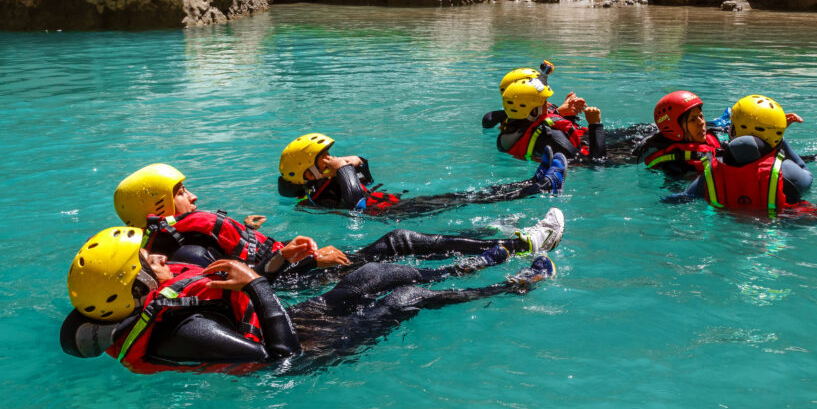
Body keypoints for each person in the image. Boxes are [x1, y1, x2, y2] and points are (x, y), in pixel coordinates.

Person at [60, 226, 558, 374]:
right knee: (404, 298)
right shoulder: (184, 331)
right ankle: (513, 284)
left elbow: (241, 301)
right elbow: (280, 359)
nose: (157, 256)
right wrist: (256, 282)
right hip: (305, 353)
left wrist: (273, 270)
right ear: (138, 289)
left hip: (287, 323)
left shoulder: (159, 297)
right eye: (147, 261)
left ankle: (484, 259)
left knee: (373, 273)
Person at [114, 163, 565, 288]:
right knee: (399, 242)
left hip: (298, 269)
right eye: (182, 192)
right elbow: (250, 286)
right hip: (303, 281)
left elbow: (236, 257)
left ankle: (509, 243)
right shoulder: (186, 250)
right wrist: (310, 261)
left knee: (398, 241)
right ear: (160, 204)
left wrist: (249, 230)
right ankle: (520, 244)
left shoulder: (179, 237)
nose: (192, 196)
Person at [276, 133, 566, 217]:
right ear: (307, 173)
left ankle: (532, 184)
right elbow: (355, 205)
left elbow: (365, 178)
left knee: (470, 196)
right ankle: (541, 187)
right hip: (396, 214)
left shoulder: (326, 179)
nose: (330, 160)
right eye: (321, 159)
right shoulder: (311, 200)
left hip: (399, 205)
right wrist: (343, 169)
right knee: (470, 201)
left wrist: (357, 163)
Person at [636, 91, 817, 180]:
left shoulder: (707, 137)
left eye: (701, 116)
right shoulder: (672, 164)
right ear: (675, 128)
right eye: (693, 119)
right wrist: (595, 128)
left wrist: (774, 131)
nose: (701, 123)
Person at [668, 94, 817, 216]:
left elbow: (681, 199)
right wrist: (779, 140)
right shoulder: (786, 171)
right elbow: (807, 177)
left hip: (725, 235)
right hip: (774, 236)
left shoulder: (712, 173)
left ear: (733, 132)